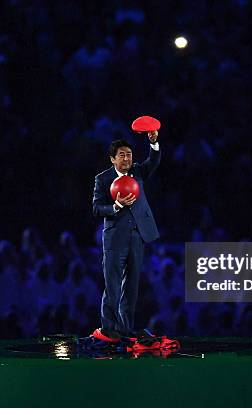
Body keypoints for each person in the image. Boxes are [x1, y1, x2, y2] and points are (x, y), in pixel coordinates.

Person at [92, 132, 160, 340]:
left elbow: (153, 161)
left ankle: (125, 328)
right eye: (122, 155)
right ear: (112, 158)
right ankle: (109, 329)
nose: (127, 158)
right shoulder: (103, 179)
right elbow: (96, 208)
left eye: (129, 154)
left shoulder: (138, 172)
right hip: (115, 239)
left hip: (137, 237)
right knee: (112, 284)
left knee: (131, 285)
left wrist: (153, 142)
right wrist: (116, 206)